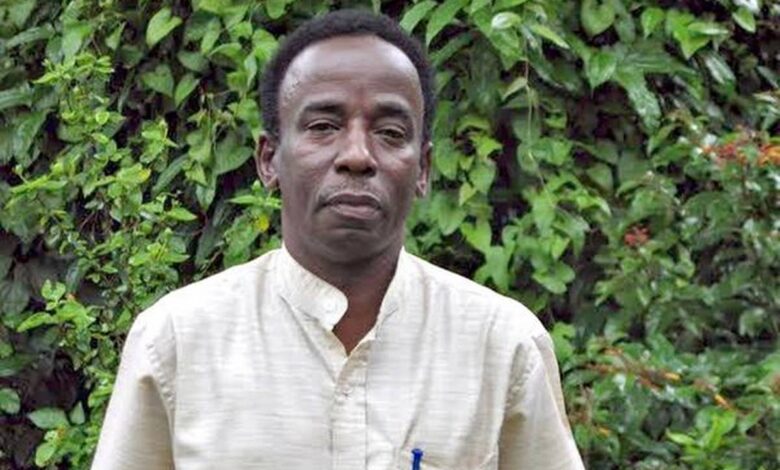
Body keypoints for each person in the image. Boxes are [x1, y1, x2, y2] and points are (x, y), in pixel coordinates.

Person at [92, 9, 584, 470]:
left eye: (390, 132)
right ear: (269, 159)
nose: (357, 155)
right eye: (323, 126)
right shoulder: (176, 342)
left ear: (423, 168)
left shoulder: (502, 346)